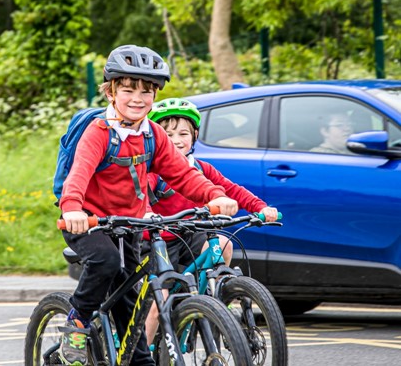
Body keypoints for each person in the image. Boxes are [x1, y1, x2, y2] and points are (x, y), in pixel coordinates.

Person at [58, 45, 239, 366]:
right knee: (105, 261)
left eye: (147, 91)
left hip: (131, 224)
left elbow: (184, 176)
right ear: (111, 92)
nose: (138, 98)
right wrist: (72, 208)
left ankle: (139, 359)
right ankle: (78, 320)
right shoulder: (98, 133)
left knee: (130, 307)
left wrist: (214, 195)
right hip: (89, 221)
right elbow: (80, 174)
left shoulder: (153, 134)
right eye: (128, 89)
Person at [142, 97, 278, 347]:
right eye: (167, 133)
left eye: (183, 133)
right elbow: (139, 198)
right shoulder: (153, 171)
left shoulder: (202, 168)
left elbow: (231, 189)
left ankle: (210, 298)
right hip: (159, 240)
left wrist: (261, 208)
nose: (176, 139)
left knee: (223, 244)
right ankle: (142, 353)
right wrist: (147, 214)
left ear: (194, 136)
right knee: (158, 301)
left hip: (191, 234)